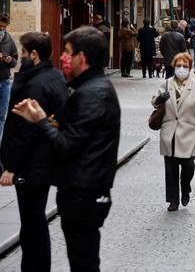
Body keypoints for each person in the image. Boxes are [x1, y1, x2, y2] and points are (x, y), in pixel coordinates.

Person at [12, 26, 120, 272]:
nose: (64, 57)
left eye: (69, 52)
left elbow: (67, 145)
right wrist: (48, 122)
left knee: (84, 263)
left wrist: (41, 121)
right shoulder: (89, 88)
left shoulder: (92, 93)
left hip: (84, 192)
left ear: (82, 57)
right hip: (83, 190)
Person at [0, 32, 67, 271]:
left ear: (34, 55)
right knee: (33, 221)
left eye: (25, 53)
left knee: (32, 222)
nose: (23, 57)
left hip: (32, 164)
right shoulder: (54, 76)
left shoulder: (35, 85)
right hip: (43, 161)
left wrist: (11, 167)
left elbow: (25, 129)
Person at [152, 52, 195, 211]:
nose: (181, 68)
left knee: (188, 166)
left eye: (185, 66)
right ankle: (173, 200)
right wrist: (158, 100)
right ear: (174, 66)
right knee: (170, 168)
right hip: (169, 132)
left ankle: (185, 186)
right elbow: (154, 101)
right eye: (179, 65)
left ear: (190, 68)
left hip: (188, 133)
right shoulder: (166, 84)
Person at [0, 14, 17, 140]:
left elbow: (15, 59)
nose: (2, 29)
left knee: (2, 115)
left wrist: (9, 60)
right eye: (0, 26)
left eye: (4, 27)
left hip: (5, 82)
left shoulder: (9, 39)